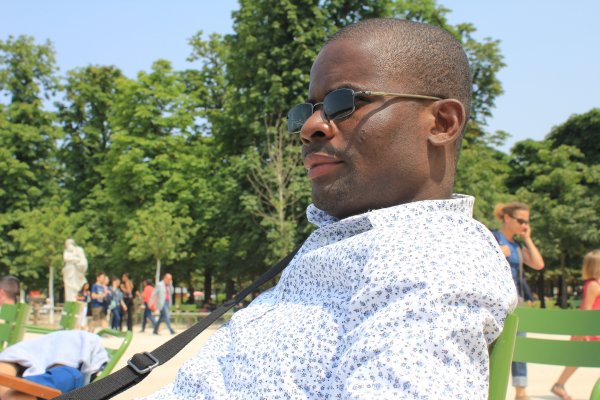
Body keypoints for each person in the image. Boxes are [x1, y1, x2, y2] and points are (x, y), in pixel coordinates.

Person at [140, 18, 516, 399]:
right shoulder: (344, 243)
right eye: (307, 111)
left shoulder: (433, 260)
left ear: (442, 123)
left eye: (344, 102)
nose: (310, 127)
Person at [492, 201, 544, 399]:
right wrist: (497, 252)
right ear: (507, 218)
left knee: (519, 345)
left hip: (516, 303)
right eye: (521, 221)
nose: (524, 225)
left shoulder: (517, 245)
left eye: (527, 222)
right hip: (497, 302)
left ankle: (521, 392)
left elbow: (538, 264)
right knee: (494, 346)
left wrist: (527, 238)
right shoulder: (492, 237)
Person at [550, 250, 600, 400]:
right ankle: (559, 385)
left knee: (576, 360)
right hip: (589, 329)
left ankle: (559, 385)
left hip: (593, 328)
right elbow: (587, 309)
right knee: (576, 360)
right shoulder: (593, 285)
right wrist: (584, 331)